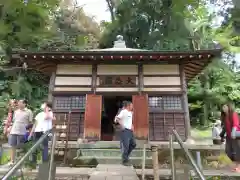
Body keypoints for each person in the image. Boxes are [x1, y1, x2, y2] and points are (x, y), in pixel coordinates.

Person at [8, 99, 33, 166]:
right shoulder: (16, 111)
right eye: (18, 103)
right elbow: (14, 121)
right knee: (12, 146)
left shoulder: (29, 111)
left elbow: (30, 123)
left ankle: (22, 162)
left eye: (20, 102)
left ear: (25, 104)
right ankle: (12, 161)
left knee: (22, 147)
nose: (18, 104)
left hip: (22, 132)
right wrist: (10, 128)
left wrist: (30, 133)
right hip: (14, 131)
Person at [220, 103, 240, 172]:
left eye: (225, 106)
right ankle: (229, 165)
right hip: (229, 136)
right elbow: (225, 128)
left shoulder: (233, 114)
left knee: (238, 151)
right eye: (222, 107)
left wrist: (233, 132)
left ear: (229, 107)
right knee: (228, 150)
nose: (223, 108)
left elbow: (235, 124)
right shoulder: (224, 116)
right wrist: (222, 136)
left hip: (236, 136)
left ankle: (239, 167)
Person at [115, 101, 136, 166]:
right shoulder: (123, 111)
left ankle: (125, 156)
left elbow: (128, 120)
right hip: (125, 131)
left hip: (130, 131)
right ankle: (125, 161)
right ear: (128, 106)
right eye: (131, 105)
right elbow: (117, 118)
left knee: (133, 144)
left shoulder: (130, 112)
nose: (132, 107)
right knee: (126, 146)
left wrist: (132, 125)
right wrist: (122, 125)